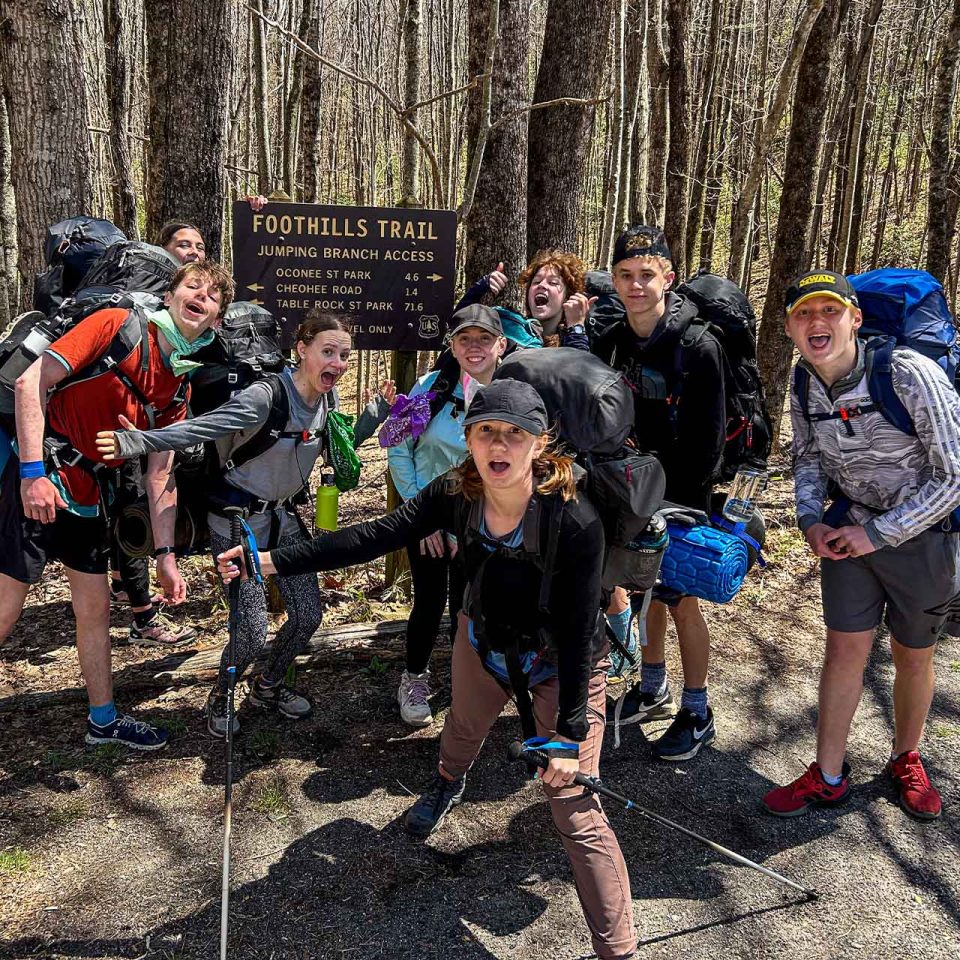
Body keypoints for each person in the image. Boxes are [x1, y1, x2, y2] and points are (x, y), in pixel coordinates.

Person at [218, 379, 639, 960]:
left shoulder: (574, 520)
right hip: (482, 642)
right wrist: (270, 560)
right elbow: (373, 536)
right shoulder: (456, 491)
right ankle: (446, 783)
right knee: (462, 730)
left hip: (561, 665)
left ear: (540, 445)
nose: (499, 444)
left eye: (515, 434)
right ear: (467, 437)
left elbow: (574, 631)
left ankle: (618, 950)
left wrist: (568, 734)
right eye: (486, 430)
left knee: (574, 807)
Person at [96, 311, 394, 737]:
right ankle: (222, 695)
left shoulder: (325, 401)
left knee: (308, 616)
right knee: (251, 629)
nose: (338, 363)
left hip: (284, 520)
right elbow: (199, 428)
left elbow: (340, 446)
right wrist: (139, 440)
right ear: (302, 349)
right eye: (328, 352)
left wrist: (376, 412)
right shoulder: (264, 396)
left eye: (344, 355)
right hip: (236, 524)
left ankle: (267, 687)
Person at [0, 260, 234, 749]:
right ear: (171, 296)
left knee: (96, 611)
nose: (199, 297)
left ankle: (102, 721)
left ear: (215, 319)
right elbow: (30, 383)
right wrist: (31, 474)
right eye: (192, 286)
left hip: (88, 496)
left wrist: (166, 559)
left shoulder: (178, 386)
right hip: (43, 476)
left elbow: (161, 474)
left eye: (211, 297)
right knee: (6, 608)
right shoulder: (116, 326)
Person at [762, 271, 960, 820]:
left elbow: (954, 476)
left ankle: (907, 758)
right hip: (848, 532)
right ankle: (828, 776)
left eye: (829, 311)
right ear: (789, 328)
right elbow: (806, 457)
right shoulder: (804, 382)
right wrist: (809, 521)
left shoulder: (908, 374)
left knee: (912, 654)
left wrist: (875, 534)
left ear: (856, 318)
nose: (816, 323)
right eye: (803, 314)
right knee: (844, 649)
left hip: (923, 539)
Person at [592, 225, 726, 761]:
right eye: (625, 275)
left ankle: (698, 709)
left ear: (667, 278)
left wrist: (671, 500)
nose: (635, 285)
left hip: (680, 495)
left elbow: (708, 440)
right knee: (641, 585)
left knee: (680, 599)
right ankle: (652, 685)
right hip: (623, 489)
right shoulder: (610, 340)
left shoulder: (700, 346)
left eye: (647, 275)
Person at [386, 304, 506, 726]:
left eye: (484, 339)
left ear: (500, 344)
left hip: (489, 522)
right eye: (465, 339)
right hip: (430, 520)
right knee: (430, 601)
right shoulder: (429, 388)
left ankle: (466, 684)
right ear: (452, 346)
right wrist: (422, 516)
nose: (475, 348)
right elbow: (397, 450)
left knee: (472, 606)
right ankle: (415, 678)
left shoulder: (511, 393)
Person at [457, 251, 594, 349]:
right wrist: (480, 288)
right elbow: (457, 326)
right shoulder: (507, 326)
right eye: (536, 282)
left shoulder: (575, 339)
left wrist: (577, 327)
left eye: (553, 283)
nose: (542, 285)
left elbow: (576, 379)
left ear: (567, 297)